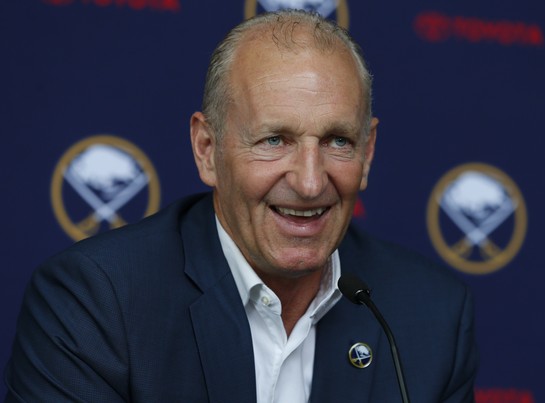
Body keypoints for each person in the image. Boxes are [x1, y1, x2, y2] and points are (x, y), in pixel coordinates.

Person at [4, 9, 478, 403]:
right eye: (275, 140)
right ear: (208, 150)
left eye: (337, 140)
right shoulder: (96, 301)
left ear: (368, 152)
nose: (311, 183)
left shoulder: (431, 316)